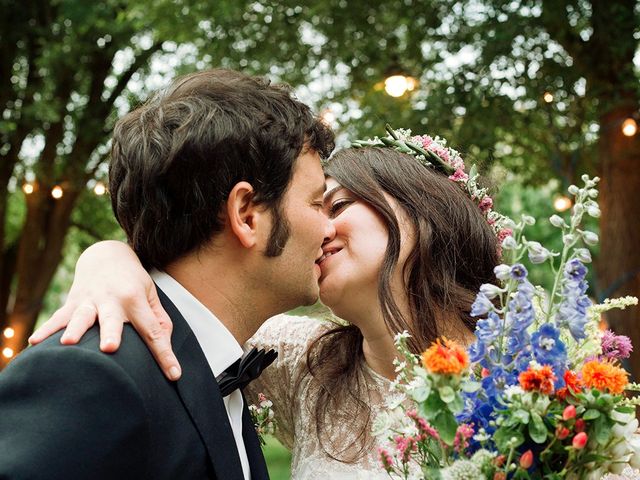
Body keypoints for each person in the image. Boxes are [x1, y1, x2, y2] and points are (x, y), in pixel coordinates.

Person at [31, 129, 502, 478]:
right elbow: (200, 295)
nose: (321, 230)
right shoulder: (301, 360)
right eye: (316, 208)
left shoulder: (536, 369)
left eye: (335, 207)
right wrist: (107, 258)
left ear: (421, 206)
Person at [0, 68, 335, 479]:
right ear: (246, 214)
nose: (330, 227)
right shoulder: (92, 377)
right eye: (317, 203)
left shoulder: (215, 366)